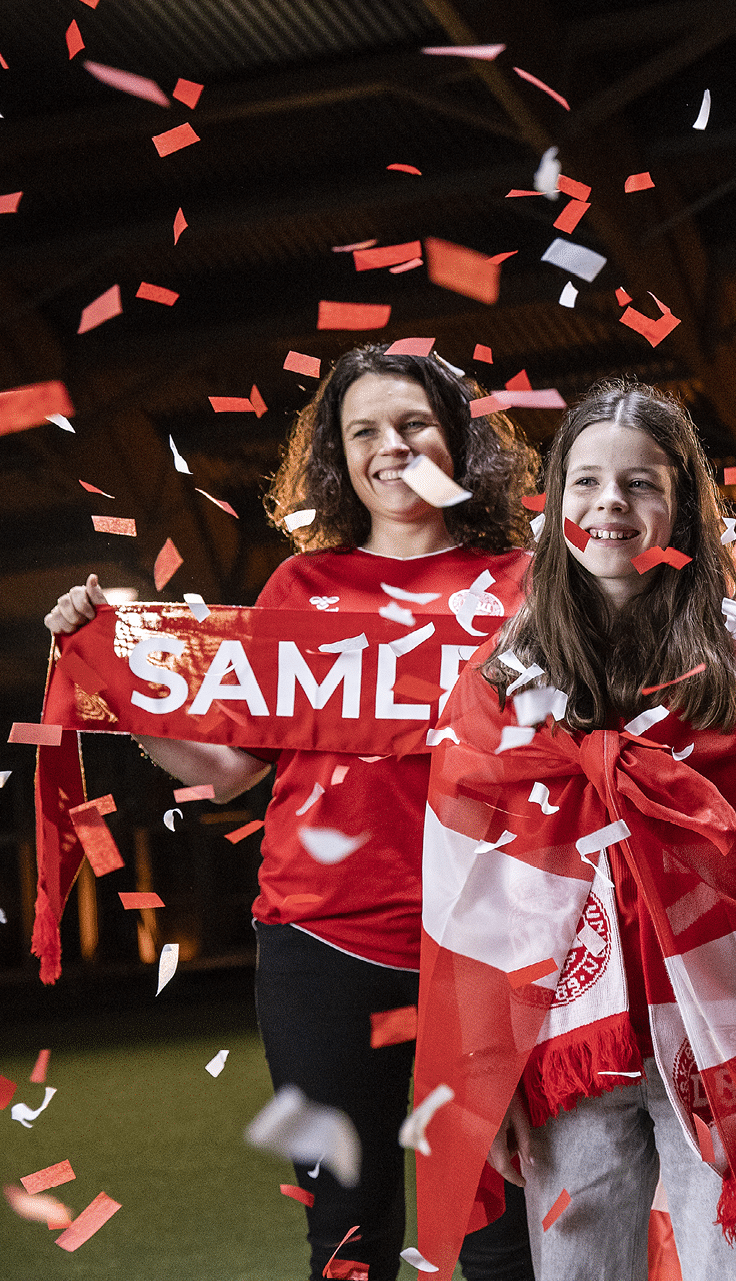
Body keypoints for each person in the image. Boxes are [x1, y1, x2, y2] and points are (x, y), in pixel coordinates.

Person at [43, 345, 540, 1281]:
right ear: (338, 457)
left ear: (458, 440)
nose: (390, 447)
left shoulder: (527, 582)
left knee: (502, 1231)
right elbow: (229, 771)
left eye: (413, 424)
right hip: (322, 945)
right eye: (364, 432)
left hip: (490, 945)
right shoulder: (301, 590)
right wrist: (110, 670)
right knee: (347, 1234)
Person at [410, 379, 736, 1281]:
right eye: (587, 483)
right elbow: (466, 896)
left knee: (735, 1268)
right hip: (566, 1042)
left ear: (683, 505)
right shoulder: (496, 686)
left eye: (641, 484)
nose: (612, 505)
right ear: (556, 501)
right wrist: (491, 1070)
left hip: (720, 1040)